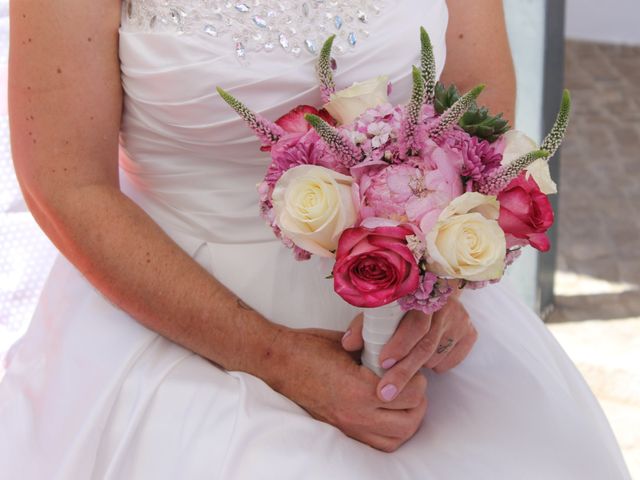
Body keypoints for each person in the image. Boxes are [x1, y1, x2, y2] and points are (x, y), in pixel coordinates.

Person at [0, 0, 630, 478]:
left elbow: (476, 111)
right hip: (174, 308)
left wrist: (445, 285)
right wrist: (276, 360)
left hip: (407, 314)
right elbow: (68, 185)